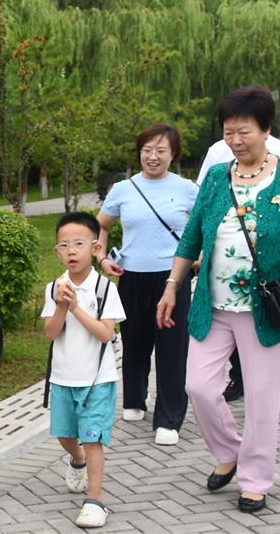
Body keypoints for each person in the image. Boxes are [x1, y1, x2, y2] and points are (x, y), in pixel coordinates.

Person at [156, 85, 280, 514]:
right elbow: (192, 236)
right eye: (228, 132)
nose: (235, 140)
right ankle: (229, 451)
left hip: (263, 310)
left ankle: (255, 480)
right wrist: (172, 285)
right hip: (212, 306)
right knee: (198, 386)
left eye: (243, 131)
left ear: (266, 130)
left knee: (262, 398)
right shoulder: (216, 177)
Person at [96, 124, 199, 446]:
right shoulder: (123, 189)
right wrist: (101, 258)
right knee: (135, 341)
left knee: (172, 348)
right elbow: (100, 226)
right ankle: (134, 399)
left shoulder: (187, 189)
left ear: (173, 154)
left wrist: (199, 256)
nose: (153, 157)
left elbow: (204, 228)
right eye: (147, 150)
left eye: (161, 151)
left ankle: (169, 418)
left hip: (172, 278)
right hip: (131, 277)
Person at [196, 136, 280, 403]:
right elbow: (202, 203)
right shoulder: (217, 151)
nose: (236, 138)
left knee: (258, 333)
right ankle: (239, 377)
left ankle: (250, 382)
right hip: (222, 276)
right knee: (202, 377)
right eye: (230, 129)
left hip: (265, 273)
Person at [42, 212, 126, 529]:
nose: (72, 251)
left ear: (95, 247)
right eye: (64, 245)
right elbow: (50, 333)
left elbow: (105, 334)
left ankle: (95, 500)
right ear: (57, 252)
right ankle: (76, 460)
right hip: (63, 377)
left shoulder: (105, 289)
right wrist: (62, 305)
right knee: (65, 435)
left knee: (92, 439)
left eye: (79, 243)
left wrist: (76, 307)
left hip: (96, 381)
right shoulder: (54, 288)